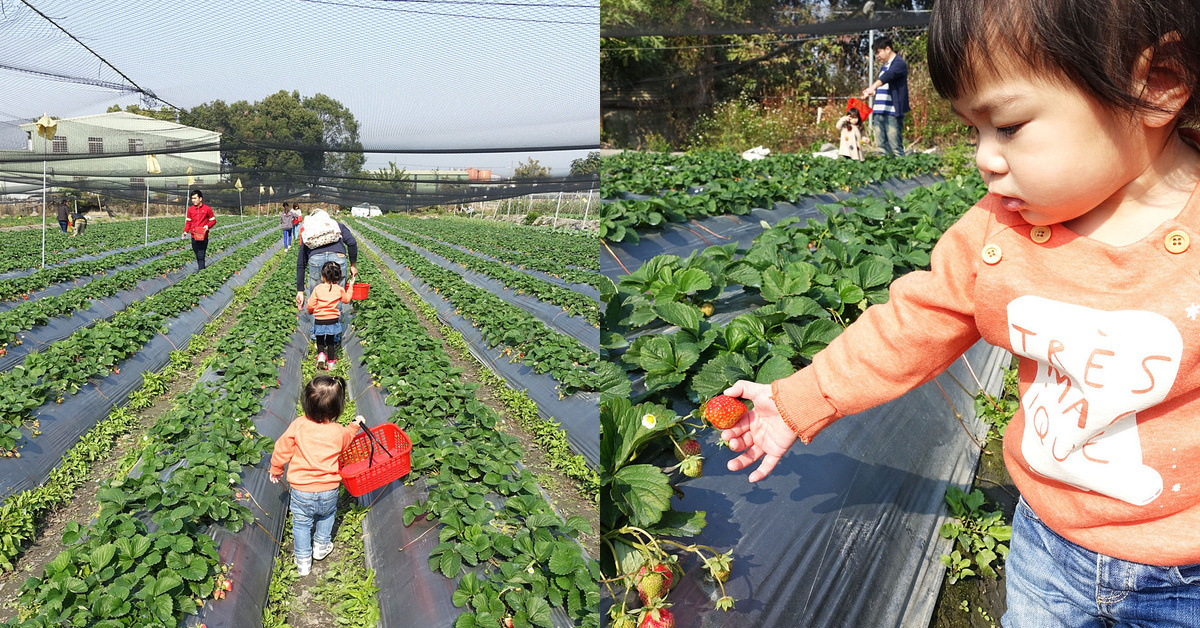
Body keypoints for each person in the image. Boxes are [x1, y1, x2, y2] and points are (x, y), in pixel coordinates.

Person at [721, 1, 1200, 625]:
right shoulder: (997, 235)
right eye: (972, 130)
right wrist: (795, 401)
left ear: (1156, 85)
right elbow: (908, 326)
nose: (984, 158)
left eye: (1008, 126)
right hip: (1048, 550)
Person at [268, 376, 365, 576]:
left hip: (302, 490)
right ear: (338, 408)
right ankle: (321, 546)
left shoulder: (298, 425)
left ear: (306, 403)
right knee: (327, 515)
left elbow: (281, 449)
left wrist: (276, 469)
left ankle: (303, 560)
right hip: (329, 489)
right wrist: (355, 424)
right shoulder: (338, 431)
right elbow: (347, 439)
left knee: (302, 524)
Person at [295, 208, 358, 334]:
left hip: (316, 260)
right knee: (336, 297)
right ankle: (334, 337)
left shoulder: (310, 229)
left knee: (316, 300)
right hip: (338, 259)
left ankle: (317, 338)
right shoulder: (336, 225)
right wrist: (353, 265)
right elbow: (352, 242)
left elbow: (301, 263)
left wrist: (300, 291)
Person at [861, 36, 909, 156]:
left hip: (892, 112)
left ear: (887, 49)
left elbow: (889, 76)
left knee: (895, 147)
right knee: (882, 146)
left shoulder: (899, 63)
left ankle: (902, 173)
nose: (877, 56)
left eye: (878, 52)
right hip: (879, 111)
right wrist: (873, 92)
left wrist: (873, 87)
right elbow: (886, 86)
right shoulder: (884, 66)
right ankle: (887, 172)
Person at [307, 261, 354, 370]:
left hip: (319, 319)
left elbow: (311, 304)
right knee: (330, 340)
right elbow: (346, 300)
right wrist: (350, 287)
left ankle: (321, 355)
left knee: (319, 338)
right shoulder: (339, 289)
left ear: (323, 276)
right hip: (333, 319)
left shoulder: (318, 288)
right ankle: (331, 362)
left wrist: (310, 311)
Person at [181, 189, 215, 271]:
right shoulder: (190, 210)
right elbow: (188, 222)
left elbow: (213, 220)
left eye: (195, 198)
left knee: (201, 254)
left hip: (203, 235)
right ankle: (201, 268)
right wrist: (185, 232)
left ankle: (201, 272)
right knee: (197, 253)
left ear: (200, 198)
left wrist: (207, 226)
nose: (193, 200)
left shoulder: (207, 209)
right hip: (194, 235)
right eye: (192, 198)